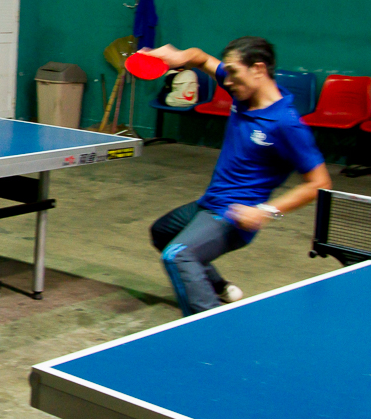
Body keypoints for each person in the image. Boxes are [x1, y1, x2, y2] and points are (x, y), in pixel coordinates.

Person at [142, 36, 331, 316]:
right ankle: (219, 287)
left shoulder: (286, 124)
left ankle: (212, 328)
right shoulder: (243, 91)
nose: (226, 81)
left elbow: (320, 184)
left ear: (258, 69)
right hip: (210, 203)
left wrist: (266, 212)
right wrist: (180, 56)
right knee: (162, 232)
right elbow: (202, 58)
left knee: (179, 256)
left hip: (234, 216)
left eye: (232, 72)